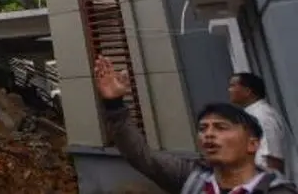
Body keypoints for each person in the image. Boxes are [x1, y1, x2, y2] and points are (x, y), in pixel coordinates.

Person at [94, 55, 296, 193]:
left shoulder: (277, 190)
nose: (208, 134)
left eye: (220, 127)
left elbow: (274, 161)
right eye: (203, 128)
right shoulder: (192, 179)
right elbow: (141, 156)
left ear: (253, 144)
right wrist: (114, 104)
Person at [229, 72, 289, 174]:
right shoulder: (249, 114)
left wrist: (272, 186)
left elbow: (273, 155)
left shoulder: (262, 115)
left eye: (233, 86)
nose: (229, 90)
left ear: (247, 91)